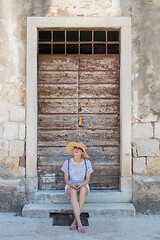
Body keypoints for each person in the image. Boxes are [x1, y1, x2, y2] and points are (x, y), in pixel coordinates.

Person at [61, 142, 93, 233]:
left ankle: (75, 221)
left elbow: (87, 180)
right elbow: (66, 179)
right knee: (73, 191)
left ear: (82, 152)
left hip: (83, 185)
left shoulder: (87, 163)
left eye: (79, 149)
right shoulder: (67, 162)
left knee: (82, 190)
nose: (76, 150)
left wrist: (82, 184)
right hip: (70, 185)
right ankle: (79, 223)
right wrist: (72, 185)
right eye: (75, 148)